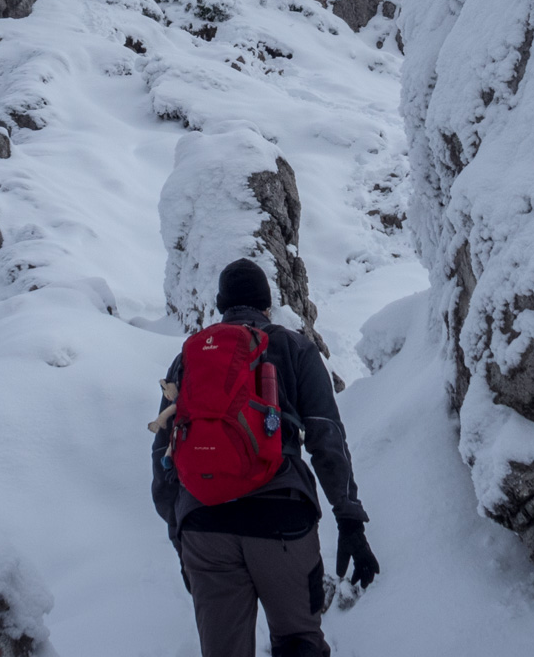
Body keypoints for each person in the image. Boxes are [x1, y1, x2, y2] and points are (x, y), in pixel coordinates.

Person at [151, 258, 380, 657]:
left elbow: (163, 451)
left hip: (203, 524)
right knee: (299, 643)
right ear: (267, 304)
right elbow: (326, 436)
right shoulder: (295, 346)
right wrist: (349, 519)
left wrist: (181, 535)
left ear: (221, 304)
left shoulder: (190, 357)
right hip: (282, 518)